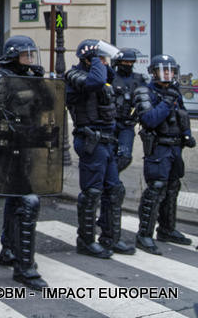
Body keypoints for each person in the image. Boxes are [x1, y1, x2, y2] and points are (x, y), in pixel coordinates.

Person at [0, 36, 49, 290]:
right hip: (9, 148)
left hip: (27, 145)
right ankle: (25, 269)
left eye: (32, 54)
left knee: (15, 198)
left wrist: (40, 83)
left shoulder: (29, 76)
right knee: (28, 201)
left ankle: (9, 249)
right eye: (25, 55)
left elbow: (48, 105)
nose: (30, 60)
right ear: (12, 55)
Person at [65, 40, 134, 258]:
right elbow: (94, 81)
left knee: (114, 190)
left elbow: (109, 77)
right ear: (88, 59)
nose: (105, 62)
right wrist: (94, 58)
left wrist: (101, 60)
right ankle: (85, 241)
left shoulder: (103, 73)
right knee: (92, 192)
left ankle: (110, 237)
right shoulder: (73, 75)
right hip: (90, 141)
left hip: (107, 140)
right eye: (100, 58)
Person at [133, 54, 195, 255]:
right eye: (163, 70)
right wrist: (166, 102)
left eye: (170, 70)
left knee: (173, 187)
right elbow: (150, 119)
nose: (168, 73)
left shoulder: (174, 92)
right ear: (153, 72)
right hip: (159, 148)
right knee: (156, 189)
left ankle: (167, 229)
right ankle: (144, 235)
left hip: (176, 147)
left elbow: (183, 116)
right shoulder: (145, 92)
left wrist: (187, 135)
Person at [111, 48, 146, 173]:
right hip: (110, 122)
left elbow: (145, 101)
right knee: (108, 155)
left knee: (124, 157)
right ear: (118, 62)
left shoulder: (138, 79)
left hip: (127, 124)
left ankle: (112, 177)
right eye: (125, 62)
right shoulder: (110, 77)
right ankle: (111, 182)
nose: (128, 65)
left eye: (131, 62)